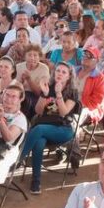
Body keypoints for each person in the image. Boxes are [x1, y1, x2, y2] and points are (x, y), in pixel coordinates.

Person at [18, 62, 82, 194]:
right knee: (39, 142)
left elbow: (64, 112)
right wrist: (44, 94)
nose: (60, 73)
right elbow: (38, 111)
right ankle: (36, 182)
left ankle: (18, 159)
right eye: (58, 71)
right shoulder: (48, 87)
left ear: (69, 77)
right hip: (44, 126)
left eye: (64, 72)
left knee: (39, 129)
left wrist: (58, 94)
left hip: (63, 130)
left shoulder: (72, 93)